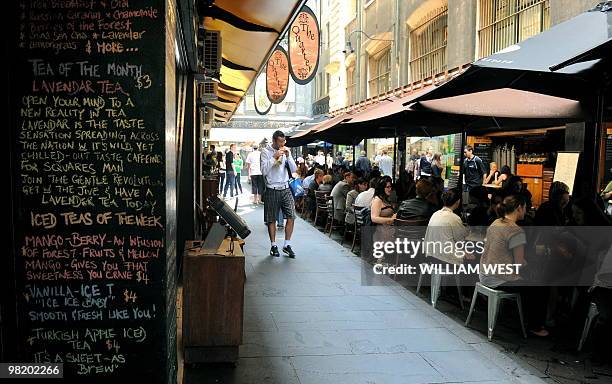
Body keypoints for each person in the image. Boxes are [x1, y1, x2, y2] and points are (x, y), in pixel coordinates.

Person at [479, 194, 549, 336]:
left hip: (484, 273)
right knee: (540, 286)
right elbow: (519, 264)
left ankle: (516, 317)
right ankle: (535, 326)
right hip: (498, 278)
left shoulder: (496, 222)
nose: (526, 211)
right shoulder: (516, 231)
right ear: (519, 208)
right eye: (525, 208)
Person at [261, 131, 298, 258]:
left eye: (284, 142)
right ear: (274, 140)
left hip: (286, 187)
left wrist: (289, 156)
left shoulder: (286, 151)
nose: (282, 144)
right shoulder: (265, 152)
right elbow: (264, 171)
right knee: (271, 219)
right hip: (272, 188)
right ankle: (273, 245)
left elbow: (294, 170)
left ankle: (287, 244)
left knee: (291, 216)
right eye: (280, 142)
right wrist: (274, 157)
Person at [424, 189, 470, 265]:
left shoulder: (435, 214)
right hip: (445, 259)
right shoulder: (454, 218)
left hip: (430, 255)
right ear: (458, 201)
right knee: (472, 257)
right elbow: (460, 239)